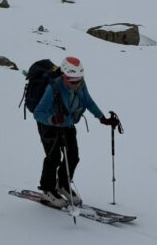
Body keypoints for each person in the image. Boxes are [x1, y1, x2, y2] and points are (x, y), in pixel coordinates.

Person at [33, 56, 118, 207]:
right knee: (53, 158)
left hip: (67, 124)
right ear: (64, 77)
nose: (76, 85)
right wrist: (53, 119)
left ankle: (63, 185)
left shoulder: (80, 85)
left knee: (73, 157)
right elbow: (38, 113)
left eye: (79, 80)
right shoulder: (53, 88)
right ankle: (47, 190)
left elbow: (88, 101)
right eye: (72, 81)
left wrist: (102, 118)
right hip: (49, 126)